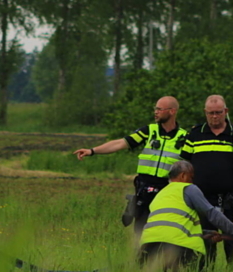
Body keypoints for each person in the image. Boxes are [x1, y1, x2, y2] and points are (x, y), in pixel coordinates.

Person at [73, 96, 187, 234]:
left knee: (163, 229)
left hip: (167, 190)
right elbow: (120, 143)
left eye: (159, 109)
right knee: (140, 231)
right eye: (155, 109)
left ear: (172, 111)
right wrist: (92, 151)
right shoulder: (149, 131)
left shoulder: (185, 137)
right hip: (144, 189)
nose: (155, 112)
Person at [138, 160, 233, 272]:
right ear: (183, 175)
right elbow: (212, 214)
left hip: (148, 246)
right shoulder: (188, 189)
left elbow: (169, 226)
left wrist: (204, 234)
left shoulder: (160, 194)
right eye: (191, 177)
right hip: (178, 247)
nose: (192, 181)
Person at [180, 94, 233, 269]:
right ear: (205, 112)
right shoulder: (195, 134)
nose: (214, 116)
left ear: (225, 111)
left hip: (231, 200)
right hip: (202, 200)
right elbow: (184, 164)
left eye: (218, 112)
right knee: (205, 243)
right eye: (211, 113)